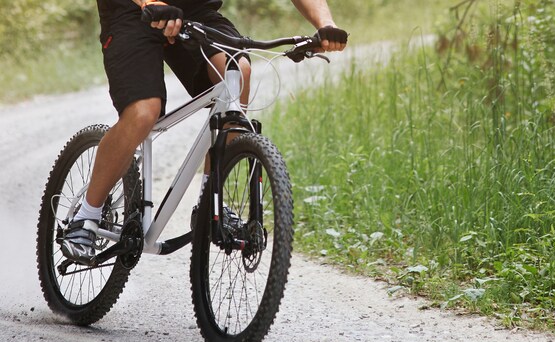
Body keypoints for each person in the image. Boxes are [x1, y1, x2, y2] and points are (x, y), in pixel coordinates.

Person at [59, 0, 348, 265]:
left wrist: (325, 24)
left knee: (237, 72)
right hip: (132, 12)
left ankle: (212, 201)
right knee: (144, 111)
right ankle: (86, 217)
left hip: (194, 12)